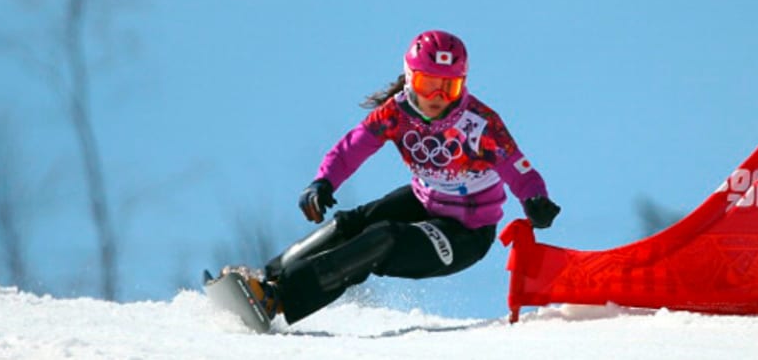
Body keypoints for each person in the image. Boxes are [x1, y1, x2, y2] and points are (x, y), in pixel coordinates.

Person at [223, 29, 561, 325]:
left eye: (449, 87)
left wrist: (535, 199)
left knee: (383, 238)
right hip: (424, 201)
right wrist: (324, 181)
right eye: (429, 84)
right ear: (410, 78)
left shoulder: (479, 124)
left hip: (466, 233)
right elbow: (352, 147)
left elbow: (517, 167)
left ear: (463, 85)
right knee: (349, 224)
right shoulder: (395, 114)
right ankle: (263, 280)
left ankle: (280, 298)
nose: (437, 98)